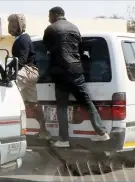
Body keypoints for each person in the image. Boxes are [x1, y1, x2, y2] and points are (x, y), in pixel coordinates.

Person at [43, 7, 110, 147]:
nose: (49, 19)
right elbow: (80, 50)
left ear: (55, 15)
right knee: (87, 102)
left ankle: (64, 139)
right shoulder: (74, 28)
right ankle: (102, 132)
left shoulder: (51, 29)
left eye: (49, 16)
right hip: (76, 72)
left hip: (60, 73)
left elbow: (46, 51)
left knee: (61, 107)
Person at [7, 14, 50, 140]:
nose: (11, 27)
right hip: (29, 72)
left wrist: (11, 68)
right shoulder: (20, 39)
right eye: (10, 24)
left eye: (14, 24)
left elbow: (22, 59)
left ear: (20, 25)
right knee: (33, 105)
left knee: (8, 88)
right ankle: (44, 131)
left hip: (28, 71)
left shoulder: (24, 39)